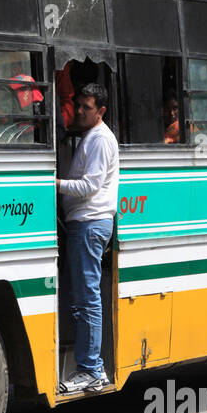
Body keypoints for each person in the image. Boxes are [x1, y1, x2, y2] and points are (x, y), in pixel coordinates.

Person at [56, 83, 119, 395]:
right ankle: (89, 367)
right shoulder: (90, 137)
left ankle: (92, 369)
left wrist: (53, 184)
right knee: (82, 298)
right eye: (78, 105)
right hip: (84, 224)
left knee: (87, 299)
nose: (80, 111)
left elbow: (90, 186)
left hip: (89, 223)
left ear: (101, 111)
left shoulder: (100, 140)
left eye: (87, 107)